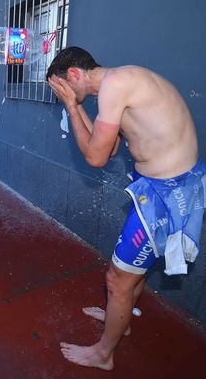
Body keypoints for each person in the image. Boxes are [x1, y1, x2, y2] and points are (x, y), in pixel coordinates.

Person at [46, 46, 205, 371]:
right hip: (160, 186)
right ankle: (119, 319)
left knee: (117, 280)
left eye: (62, 87)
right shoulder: (117, 84)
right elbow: (109, 146)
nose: (62, 94)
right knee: (132, 272)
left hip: (168, 194)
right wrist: (76, 105)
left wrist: (72, 107)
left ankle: (104, 354)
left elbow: (95, 157)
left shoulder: (115, 86)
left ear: (73, 74)